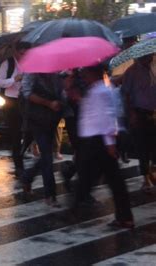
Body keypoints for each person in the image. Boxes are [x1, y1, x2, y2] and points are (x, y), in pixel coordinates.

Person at [76, 64, 134, 228]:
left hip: (99, 141)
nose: (84, 75)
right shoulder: (98, 89)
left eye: (86, 72)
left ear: (92, 73)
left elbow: (108, 118)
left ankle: (74, 208)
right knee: (111, 180)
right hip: (97, 140)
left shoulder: (101, 91)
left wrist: (109, 144)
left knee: (95, 178)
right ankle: (124, 216)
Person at [21, 73, 65, 207]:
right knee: (47, 156)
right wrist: (48, 103)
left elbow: (61, 92)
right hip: (37, 119)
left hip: (52, 119)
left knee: (47, 156)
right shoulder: (31, 74)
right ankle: (50, 195)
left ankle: (27, 177)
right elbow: (27, 93)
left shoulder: (56, 73)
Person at [0, 42, 32, 178]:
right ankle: (19, 167)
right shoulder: (8, 64)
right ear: (16, 52)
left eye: (27, 54)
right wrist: (13, 79)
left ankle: (21, 152)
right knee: (16, 135)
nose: (24, 56)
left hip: (26, 100)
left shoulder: (29, 64)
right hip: (11, 102)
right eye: (22, 53)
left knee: (30, 130)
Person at [121, 54, 156, 192]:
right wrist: (131, 114)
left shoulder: (153, 68)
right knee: (142, 147)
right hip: (139, 113)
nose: (152, 57)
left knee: (154, 145)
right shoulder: (131, 72)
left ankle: (152, 170)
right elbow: (125, 94)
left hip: (153, 112)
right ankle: (146, 178)